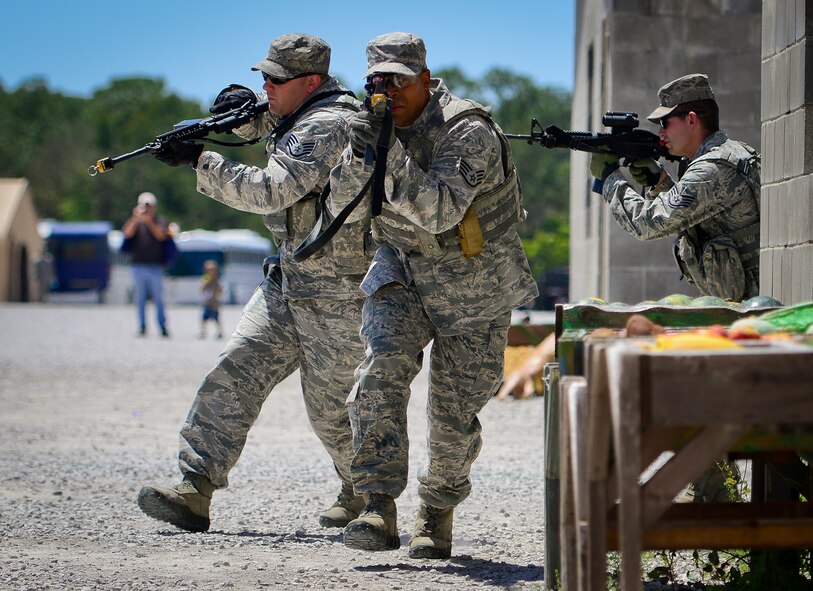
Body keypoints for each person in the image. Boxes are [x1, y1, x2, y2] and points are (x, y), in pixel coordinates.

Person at [136, 33, 371, 533]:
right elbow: (266, 123)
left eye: (275, 79)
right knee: (236, 369)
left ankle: (365, 494)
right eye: (261, 76)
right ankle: (194, 487)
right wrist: (228, 117)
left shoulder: (330, 123)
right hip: (288, 285)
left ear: (310, 82)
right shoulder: (298, 109)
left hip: (338, 295)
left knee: (331, 410)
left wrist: (202, 159)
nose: (265, 85)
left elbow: (272, 189)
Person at [326, 32, 538, 559]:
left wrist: (386, 152)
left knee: (452, 415)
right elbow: (345, 209)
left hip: (476, 285)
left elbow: (441, 210)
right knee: (379, 369)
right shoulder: (371, 127)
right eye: (378, 80)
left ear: (425, 78)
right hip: (401, 268)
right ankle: (376, 504)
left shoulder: (468, 130)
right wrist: (358, 154)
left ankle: (436, 511)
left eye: (400, 79)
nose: (389, 91)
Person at [590, 73, 761, 301]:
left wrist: (611, 179)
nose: (661, 132)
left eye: (666, 123)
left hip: (746, 308)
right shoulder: (733, 153)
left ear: (691, 120)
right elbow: (699, 215)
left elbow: (647, 224)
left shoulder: (710, 170)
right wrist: (661, 183)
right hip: (750, 300)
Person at [121, 191, 170, 337]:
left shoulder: (159, 220)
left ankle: (162, 326)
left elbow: (160, 236)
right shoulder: (136, 222)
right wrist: (135, 219)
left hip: (155, 266)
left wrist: (148, 220)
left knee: (158, 298)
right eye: (143, 205)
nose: (146, 208)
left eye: (149, 206)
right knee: (140, 298)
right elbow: (127, 234)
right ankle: (142, 326)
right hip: (138, 266)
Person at [199, 259, 223, 339]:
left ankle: (220, 332)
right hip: (207, 303)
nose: (211, 272)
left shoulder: (217, 280)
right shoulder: (205, 278)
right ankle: (203, 332)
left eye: (213, 270)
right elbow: (202, 289)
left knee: (216, 318)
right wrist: (208, 282)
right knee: (204, 319)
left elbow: (220, 290)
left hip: (214, 303)